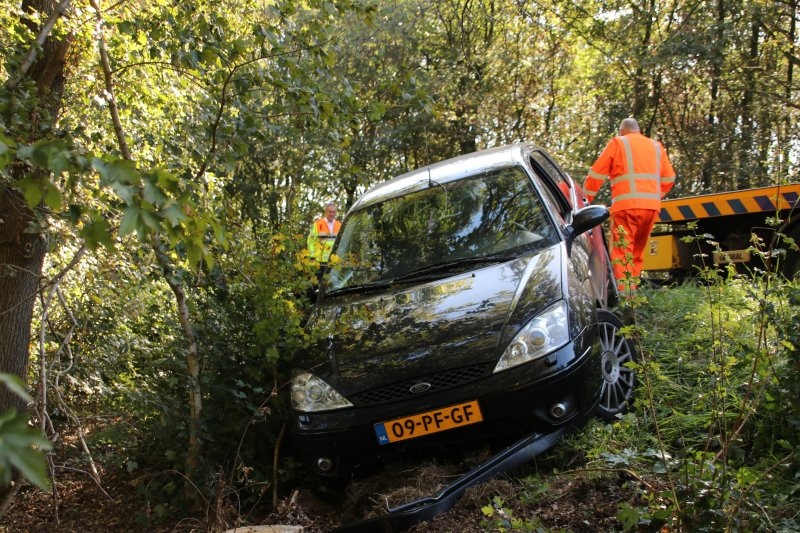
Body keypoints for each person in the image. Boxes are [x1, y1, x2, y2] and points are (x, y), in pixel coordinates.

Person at [583, 118, 676, 293]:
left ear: (621, 131)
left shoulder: (618, 143)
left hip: (626, 206)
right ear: (638, 130)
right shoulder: (656, 146)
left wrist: (583, 201)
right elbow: (669, 177)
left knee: (622, 251)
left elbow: (596, 174)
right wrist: (655, 196)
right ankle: (632, 293)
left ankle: (625, 296)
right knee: (636, 253)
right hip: (651, 207)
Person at [307, 202, 341, 285]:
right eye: (330, 212)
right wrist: (312, 256)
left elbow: (341, 242)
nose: (332, 214)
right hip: (319, 260)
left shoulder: (339, 225)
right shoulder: (318, 224)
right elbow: (310, 241)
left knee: (331, 285)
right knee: (318, 284)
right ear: (325, 212)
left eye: (333, 212)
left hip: (333, 260)